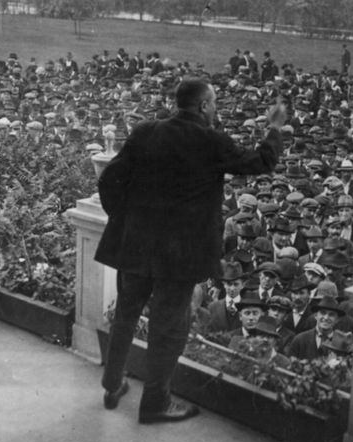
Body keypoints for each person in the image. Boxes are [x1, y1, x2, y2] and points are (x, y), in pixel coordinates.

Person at [95, 78, 287, 424]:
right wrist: (274, 128)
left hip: (136, 246)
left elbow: (109, 180)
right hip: (179, 256)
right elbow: (261, 161)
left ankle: (112, 384)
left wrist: (124, 221)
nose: (215, 109)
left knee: (125, 314)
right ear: (203, 106)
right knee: (168, 327)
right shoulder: (211, 141)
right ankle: (155, 404)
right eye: (213, 103)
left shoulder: (146, 131)